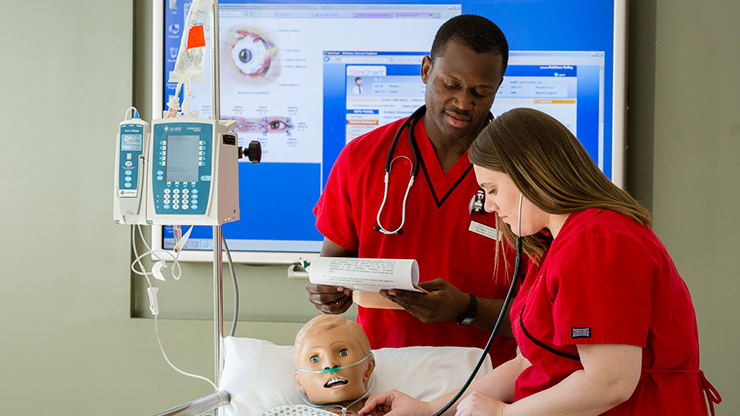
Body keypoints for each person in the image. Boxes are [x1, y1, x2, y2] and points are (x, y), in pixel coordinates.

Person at [358, 108, 722, 416]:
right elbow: (530, 362)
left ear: (530, 173)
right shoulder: (551, 245)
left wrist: (504, 413)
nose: (487, 206)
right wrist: (434, 408)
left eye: (493, 190)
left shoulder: (598, 241)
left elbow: (610, 382)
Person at [308, 14, 520, 368]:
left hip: (489, 383)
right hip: (381, 374)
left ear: (498, 86)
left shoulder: (521, 171)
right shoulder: (362, 158)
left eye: (480, 92)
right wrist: (326, 289)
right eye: (450, 84)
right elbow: (333, 263)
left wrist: (468, 309)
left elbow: (549, 315)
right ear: (425, 70)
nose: (464, 103)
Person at [263, 315, 376, 416]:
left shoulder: (390, 411)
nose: (330, 364)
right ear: (299, 382)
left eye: (343, 353)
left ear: (369, 367)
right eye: (315, 359)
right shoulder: (284, 414)